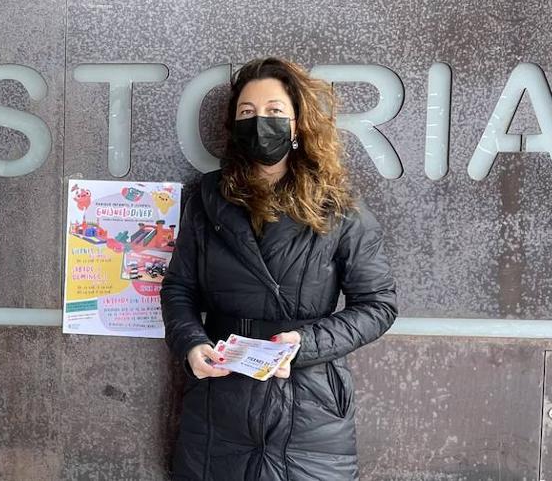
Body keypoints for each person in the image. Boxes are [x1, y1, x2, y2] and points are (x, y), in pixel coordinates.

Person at [161, 57, 398, 480]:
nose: (260, 122)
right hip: (219, 404)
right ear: (233, 127)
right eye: (247, 113)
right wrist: (191, 345)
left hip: (311, 407)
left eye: (274, 111)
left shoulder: (339, 207)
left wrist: (303, 344)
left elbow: (378, 305)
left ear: (297, 123)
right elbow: (178, 289)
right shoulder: (206, 199)